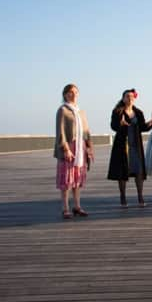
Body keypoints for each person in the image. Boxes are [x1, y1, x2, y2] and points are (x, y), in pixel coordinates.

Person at [107, 88, 152, 207]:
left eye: (132, 96)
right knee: (123, 171)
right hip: (122, 145)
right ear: (123, 98)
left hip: (135, 145)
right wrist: (120, 124)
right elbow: (113, 126)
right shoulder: (117, 111)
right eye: (127, 96)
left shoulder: (138, 112)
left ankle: (140, 197)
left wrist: (150, 124)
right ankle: (123, 197)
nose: (130, 98)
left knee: (138, 171)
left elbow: (142, 127)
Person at [54, 83, 93, 219]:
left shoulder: (80, 111)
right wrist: (65, 149)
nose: (73, 94)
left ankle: (77, 206)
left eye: (76, 92)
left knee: (77, 178)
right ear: (65, 94)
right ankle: (65, 208)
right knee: (67, 179)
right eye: (70, 92)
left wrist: (89, 148)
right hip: (69, 147)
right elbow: (60, 131)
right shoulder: (63, 110)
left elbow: (86, 132)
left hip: (80, 147)